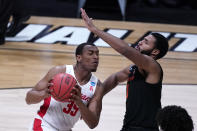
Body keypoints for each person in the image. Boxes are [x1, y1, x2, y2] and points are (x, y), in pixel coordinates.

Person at [81, 8, 169, 131]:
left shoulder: (152, 66)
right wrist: (96, 97)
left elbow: (125, 50)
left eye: (146, 42)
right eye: (142, 39)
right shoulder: (134, 68)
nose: (140, 42)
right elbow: (116, 78)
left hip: (145, 128)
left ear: (155, 52)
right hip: (128, 126)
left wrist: (95, 30)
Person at [25, 42, 104, 131]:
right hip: (44, 124)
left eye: (97, 54)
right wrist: (44, 94)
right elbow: (28, 99)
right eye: (90, 53)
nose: (96, 57)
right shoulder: (59, 71)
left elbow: (93, 124)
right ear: (79, 58)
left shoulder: (97, 87)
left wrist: (79, 102)